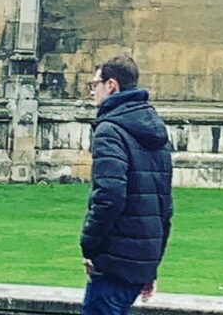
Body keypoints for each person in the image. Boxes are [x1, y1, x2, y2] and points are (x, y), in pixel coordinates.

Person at [80, 53, 172, 315]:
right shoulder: (156, 129)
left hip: (113, 261)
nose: (92, 91)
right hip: (140, 260)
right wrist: (149, 268)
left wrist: (90, 246)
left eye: (95, 84)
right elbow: (164, 205)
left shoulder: (109, 130)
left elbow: (109, 196)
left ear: (111, 85)